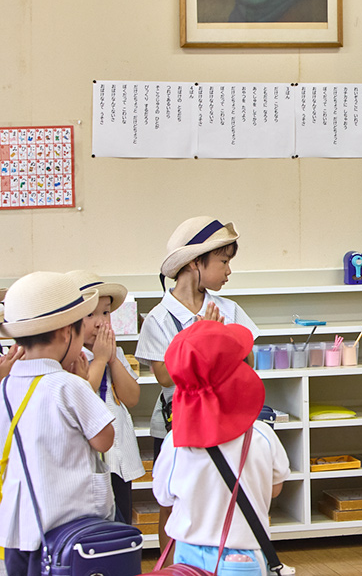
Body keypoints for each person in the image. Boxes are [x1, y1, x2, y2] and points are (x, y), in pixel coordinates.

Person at [135, 216, 259, 554]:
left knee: (224, 492)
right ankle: (172, 566)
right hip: (177, 424)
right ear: (194, 262)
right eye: (223, 262)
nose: (229, 271)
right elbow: (165, 376)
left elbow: (247, 362)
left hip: (227, 419)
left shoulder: (229, 309)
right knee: (173, 501)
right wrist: (206, 337)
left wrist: (211, 341)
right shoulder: (159, 318)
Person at [152, 319, 289, 575]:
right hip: (246, 557)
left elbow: (164, 498)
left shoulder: (175, 442)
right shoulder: (262, 435)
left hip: (187, 556)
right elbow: (275, 489)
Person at [0, 272, 115, 575]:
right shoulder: (69, 385)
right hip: (66, 529)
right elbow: (104, 440)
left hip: (16, 528)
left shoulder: (5, 385)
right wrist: (85, 386)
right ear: (66, 333)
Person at [65, 270, 145, 526]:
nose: (100, 322)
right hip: (89, 463)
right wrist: (99, 360)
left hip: (119, 459)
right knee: (99, 528)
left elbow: (131, 398)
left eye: (106, 313)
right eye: (90, 315)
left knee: (122, 524)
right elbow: (82, 401)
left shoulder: (114, 352)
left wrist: (111, 359)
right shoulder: (69, 357)